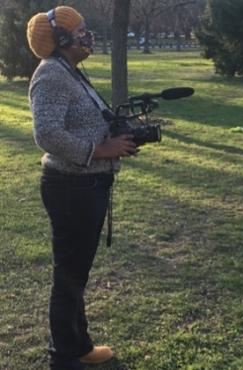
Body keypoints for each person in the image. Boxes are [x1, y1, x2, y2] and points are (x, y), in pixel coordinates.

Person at [27, 6, 138, 370]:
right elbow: (47, 133)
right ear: (61, 40)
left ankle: (80, 344)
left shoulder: (70, 72)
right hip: (70, 187)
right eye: (81, 31)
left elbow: (76, 124)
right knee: (69, 275)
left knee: (77, 273)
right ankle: (63, 357)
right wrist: (98, 150)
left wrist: (116, 139)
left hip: (87, 185)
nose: (87, 36)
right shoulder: (51, 75)